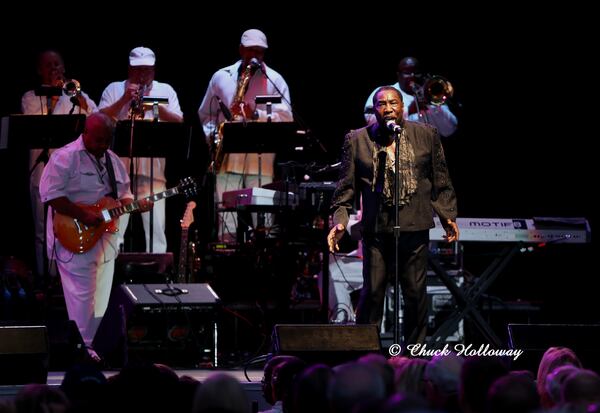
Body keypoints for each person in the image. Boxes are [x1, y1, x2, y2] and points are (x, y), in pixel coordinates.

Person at [328, 86, 459, 344]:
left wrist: (447, 216)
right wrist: (340, 222)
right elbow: (344, 189)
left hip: (415, 228)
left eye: (393, 103)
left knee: (414, 293)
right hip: (377, 231)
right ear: (374, 109)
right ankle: (365, 354)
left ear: (403, 106)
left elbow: (440, 179)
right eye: (381, 104)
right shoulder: (357, 139)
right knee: (373, 293)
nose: (387, 108)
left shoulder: (426, 135)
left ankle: (414, 355)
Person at [39, 112, 153, 358]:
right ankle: (83, 349)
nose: (102, 146)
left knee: (99, 296)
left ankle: (92, 348)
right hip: (74, 233)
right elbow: (51, 195)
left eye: (107, 141)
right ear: (86, 133)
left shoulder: (112, 160)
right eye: (98, 140)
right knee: (82, 296)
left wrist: (134, 204)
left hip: (104, 238)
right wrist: (82, 215)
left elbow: (124, 195)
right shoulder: (64, 157)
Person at [198, 28, 293, 242]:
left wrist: (256, 114)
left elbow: (287, 117)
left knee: (264, 219)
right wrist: (214, 136)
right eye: (251, 51)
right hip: (227, 158)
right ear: (241, 50)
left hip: (261, 160)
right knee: (226, 218)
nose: (255, 57)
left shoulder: (275, 80)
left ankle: (264, 258)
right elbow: (205, 114)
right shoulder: (221, 77)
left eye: (260, 52)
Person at [22, 49, 98, 278]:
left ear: (64, 68)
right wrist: (55, 99)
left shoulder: (73, 92)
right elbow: (37, 124)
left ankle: (67, 278)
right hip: (42, 170)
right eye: (48, 65)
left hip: (70, 173)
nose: (53, 68)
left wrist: (77, 97)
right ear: (39, 70)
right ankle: (46, 277)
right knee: (41, 231)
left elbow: (94, 116)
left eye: (57, 64)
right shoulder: (30, 96)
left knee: (67, 227)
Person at [99, 46, 183, 253]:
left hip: (153, 174)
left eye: (147, 70)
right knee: (115, 229)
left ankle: (155, 277)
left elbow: (179, 120)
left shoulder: (166, 90)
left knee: (156, 232)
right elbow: (99, 120)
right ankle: (113, 272)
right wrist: (124, 100)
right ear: (129, 69)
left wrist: (156, 108)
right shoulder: (114, 89)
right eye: (138, 70)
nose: (143, 75)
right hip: (118, 175)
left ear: (154, 70)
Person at [364, 56, 458, 138]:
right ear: (398, 74)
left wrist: (433, 106)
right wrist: (409, 110)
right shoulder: (384, 92)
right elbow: (370, 120)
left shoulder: (431, 96)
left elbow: (449, 130)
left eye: (416, 72)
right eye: (407, 73)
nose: (412, 77)